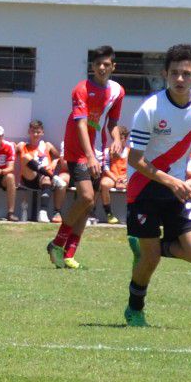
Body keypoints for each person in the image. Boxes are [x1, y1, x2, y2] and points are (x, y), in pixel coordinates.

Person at [124, 44, 191, 327]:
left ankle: (150, 246)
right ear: (165, 74)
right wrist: (172, 181)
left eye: (186, 74)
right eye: (174, 73)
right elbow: (135, 160)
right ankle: (134, 309)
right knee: (149, 261)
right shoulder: (150, 109)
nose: (179, 79)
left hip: (177, 189)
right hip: (144, 187)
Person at [48, 45, 125, 269]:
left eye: (106, 64)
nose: (102, 67)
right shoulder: (81, 89)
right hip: (77, 150)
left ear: (113, 67)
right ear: (92, 66)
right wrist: (90, 156)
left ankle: (69, 253)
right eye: (98, 64)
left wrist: (117, 139)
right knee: (87, 198)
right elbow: (81, 124)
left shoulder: (117, 91)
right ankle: (57, 243)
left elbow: (112, 123)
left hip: (97, 151)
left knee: (87, 204)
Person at [17, 120, 67, 223]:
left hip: (44, 179)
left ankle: (43, 213)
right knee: (26, 157)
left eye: (38, 132)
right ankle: (53, 177)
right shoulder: (23, 145)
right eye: (33, 131)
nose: (35, 134)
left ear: (42, 132)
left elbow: (60, 157)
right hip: (29, 177)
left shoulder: (47, 145)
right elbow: (10, 151)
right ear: (28, 132)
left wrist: (54, 161)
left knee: (47, 179)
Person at [99, 125, 130, 224]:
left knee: (136, 186)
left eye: (121, 139)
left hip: (126, 178)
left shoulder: (130, 152)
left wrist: (125, 178)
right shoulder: (108, 151)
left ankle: (131, 213)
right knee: (104, 184)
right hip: (112, 177)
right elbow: (106, 167)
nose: (119, 141)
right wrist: (116, 179)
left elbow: (133, 168)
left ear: (125, 139)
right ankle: (108, 213)